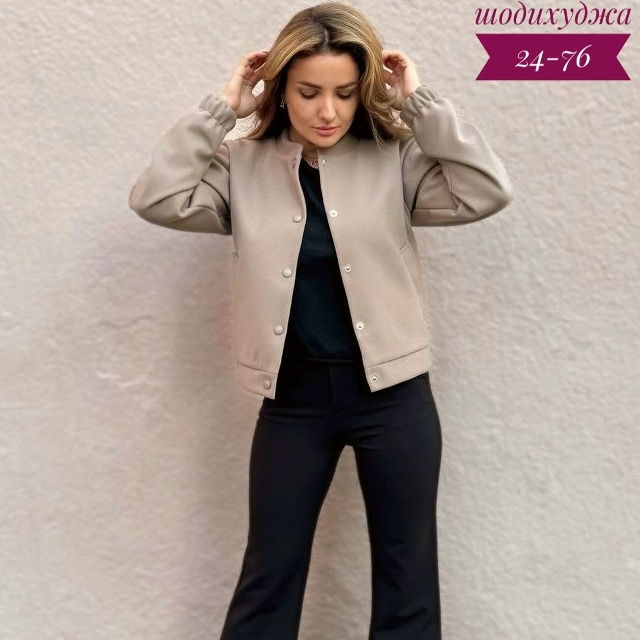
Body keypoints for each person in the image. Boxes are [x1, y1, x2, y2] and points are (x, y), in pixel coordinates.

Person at [128, 2, 514, 638]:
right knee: (269, 577)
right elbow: (157, 197)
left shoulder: (393, 158)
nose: (327, 111)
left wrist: (419, 106)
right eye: (309, 93)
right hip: (294, 401)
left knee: (408, 579)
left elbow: (486, 190)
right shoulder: (242, 166)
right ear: (281, 89)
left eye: (344, 93)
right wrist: (222, 109)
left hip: (394, 397)